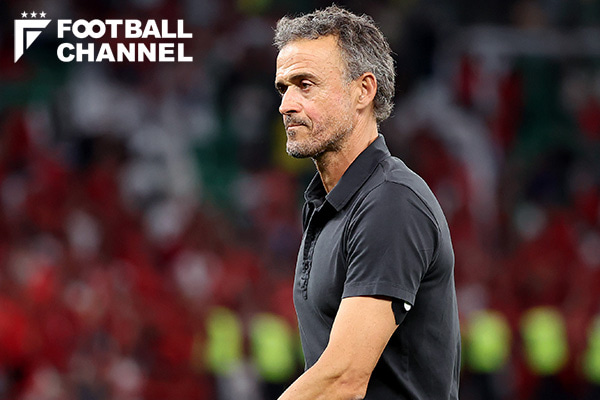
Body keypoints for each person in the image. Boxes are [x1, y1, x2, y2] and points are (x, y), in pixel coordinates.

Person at [273, 5, 460, 400]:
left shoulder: (391, 202)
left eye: (305, 85)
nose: (286, 104)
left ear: (364, 91)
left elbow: (345, 378)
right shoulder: (328, 205)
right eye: (283, 88)